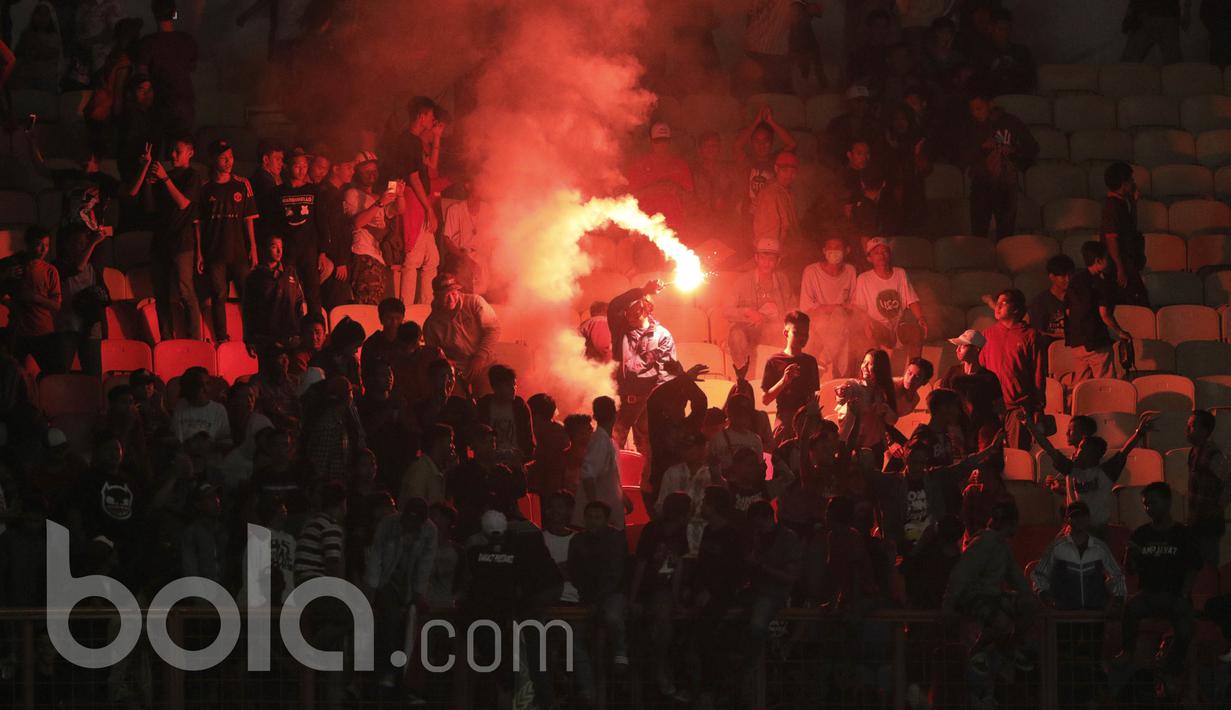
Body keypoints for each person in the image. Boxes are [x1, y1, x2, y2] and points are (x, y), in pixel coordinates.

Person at [942, 499, 1037, 696]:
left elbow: (1015, 576)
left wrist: (1030, 598)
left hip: (991, 597)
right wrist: (949, 605)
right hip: (973, 598)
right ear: (1010, 523)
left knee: (1027, 607)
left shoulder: (1000, 545)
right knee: (1001, 622)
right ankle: (980, 652)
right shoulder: (986, 542)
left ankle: (1007, 649)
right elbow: (961, 575)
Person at [1024, 411, 1156, 539]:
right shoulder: (1071, 470)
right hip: (1074, 530)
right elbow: (1047, 447)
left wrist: (1139, 433)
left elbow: (1124, 451)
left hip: (1097, 531)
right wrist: (1029, 425)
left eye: (1082, 449)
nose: (1077, 453)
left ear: (1093, 455)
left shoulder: (1106, 472)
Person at [1120, 482, 1203, 674]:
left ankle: (1169, 665)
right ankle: (1128, 653)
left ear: (1167, 502)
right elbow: (1129, 570)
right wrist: (1129, 554)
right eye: (1146, 504)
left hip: (1175, 595)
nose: (1149, 508)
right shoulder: (1141, 534)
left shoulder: (1182, 534)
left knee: (1185, 629)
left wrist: (1183, 593)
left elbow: (1194, 566)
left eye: (1153, 503)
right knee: (1131, 609)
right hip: (1149, 594)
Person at [364, 496, 437, 692]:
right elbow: (376, 555)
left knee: (412, 623)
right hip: (387, 580)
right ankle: (388, 670)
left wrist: (418, 591)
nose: (411, 524)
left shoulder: (430, 531)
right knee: (391, 616)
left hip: (410, 583)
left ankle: (409, 677)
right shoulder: (388, 524)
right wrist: (372, 587)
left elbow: (425, 563)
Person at [139, 135, 202, 340]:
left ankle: (195, 339)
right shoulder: (164, 176)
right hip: (160, 242)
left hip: (182, 243)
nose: (172, 154)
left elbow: (183, 203)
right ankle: (166, 339)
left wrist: (165, 179)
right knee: (161, 294)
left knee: (186, 292)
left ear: (190, 152)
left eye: (178, 150)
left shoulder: (192, 176)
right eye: (172, 151)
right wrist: (149, 181)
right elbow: (149, 208)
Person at [568, 501, 630, 700]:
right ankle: (587, 688)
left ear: (606, 519)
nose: (593, 521)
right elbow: (575, 571)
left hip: (611, 593)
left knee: (612, 616)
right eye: (590, 517)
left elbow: (615, 573)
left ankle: (620, 649)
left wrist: (595, 598)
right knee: (574, 636)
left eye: (597, 517)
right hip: (587, 597)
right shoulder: (577, 541)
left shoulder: (616, 538)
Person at [607, 280, 678, 453]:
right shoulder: (620, 330)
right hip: (623, 400)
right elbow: (614, 305)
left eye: (634, 310)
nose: (628, 315)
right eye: (627, 311)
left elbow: (668, 372)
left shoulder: (663, 336)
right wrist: (643, 290)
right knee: (614, 447)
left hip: (647, 402)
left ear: (646, 309)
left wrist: (658, 401)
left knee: (647, 450)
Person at [198, 139, 258, 343]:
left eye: (231, 157)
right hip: (215, 252)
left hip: (239, 252)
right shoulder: (205, 188)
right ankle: (221, 339)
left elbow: (248, 220)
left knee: (248, 297)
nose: (228, 161)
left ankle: (252, 336)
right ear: (213, 159)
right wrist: (199, 252)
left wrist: (254, 249)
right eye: (223, 158)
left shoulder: (243, 184)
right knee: (218, 297)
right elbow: (199, 224)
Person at [961, 93, 1038, 240]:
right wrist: (981, 148)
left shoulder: (1011, 123)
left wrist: (1013, 151)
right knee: (979, 232)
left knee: (1006, 234)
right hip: (981, 183)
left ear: (989, 104)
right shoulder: (970, 126)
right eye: (972, 110)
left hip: (1006, 184)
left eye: (979, 108)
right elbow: (962, 156)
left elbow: (1032, 148)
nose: (976, 113)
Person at [979, 290, 1047, 449]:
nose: (998, 307)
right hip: (992, 407)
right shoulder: (988, 334)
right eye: (997, 303)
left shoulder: (1030, 335)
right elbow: (981, 368)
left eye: (1003, 303)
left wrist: (1039, 406)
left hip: (1018, 407)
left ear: (1016, 309)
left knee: (1017, 455)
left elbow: (1038, 372)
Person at [1033, 500, 1127, 611]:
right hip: (1064, 612)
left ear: (1088, 518)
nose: (1079, 520)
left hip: (1095, 612)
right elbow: (1039, 575)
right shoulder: (1056, 547)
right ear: (1067, 520)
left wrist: (1118, 599)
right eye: (1074, 516)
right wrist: (1045, 596)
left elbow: (1117, 575)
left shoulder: (1100, 548)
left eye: (1083, 516)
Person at [391, 96, 440, 307]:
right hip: (412, 199)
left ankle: (425, 308)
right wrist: (428, 208)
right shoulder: (407, 141)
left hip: (419, 199)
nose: (432, 120)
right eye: (430, 116)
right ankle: (406, 310)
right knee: (412, 259)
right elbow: (412, 177)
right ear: (422, 116)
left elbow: (429, 169)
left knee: (432, 259)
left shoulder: (415, 141)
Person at [422, 273, 500, 396]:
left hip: (485, 365)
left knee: (487, 400)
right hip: (457, 372)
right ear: (436, 296)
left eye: (453, 293)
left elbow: (493, 329)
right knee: (457, 405)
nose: (451, 299)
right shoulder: (431, 325)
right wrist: (448, 364)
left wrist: (480, 356)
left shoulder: (474, 302)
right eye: (446, 296)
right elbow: (434, 355)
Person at [1065, 241, 1132, 382]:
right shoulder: (1101, 283)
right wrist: (1120, 331)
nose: (1110, 261)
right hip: (1096, 342)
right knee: (1105, 384)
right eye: (1107, 258)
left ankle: (1076, 404)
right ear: (1098, 261)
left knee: (1081, 385)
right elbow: (1104, 314)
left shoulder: (1075, 280)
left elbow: (1068, 311)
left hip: (1076, 342)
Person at [724, 238, 794, 370]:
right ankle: (744, 379)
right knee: (736, 335)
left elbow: (792, 308)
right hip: (748, 331)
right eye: (763, 258)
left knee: (799, 332)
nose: (766, 263)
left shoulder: (783, 281)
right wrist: (747, 312)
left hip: (775, 329)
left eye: (771, 259)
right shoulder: (742, 281)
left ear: (778, 261)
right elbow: (727, 311)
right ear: (756, 258)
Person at [136, 0, 197, 141]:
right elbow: (192, 67)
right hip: (185, 103)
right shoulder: (187, 40)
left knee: (153, 151)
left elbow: (141, 76)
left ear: (154, 15)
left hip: (159, 103)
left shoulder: (147, 43)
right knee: (180, 152)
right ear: (174, 14)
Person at [851, 237, 926, 352]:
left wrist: (921, 318)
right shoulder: (863, 279)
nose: (881, 256)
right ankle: (875, 365)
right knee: (872, 330)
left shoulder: (900, 273)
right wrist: (866, 323)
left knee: (915, 331)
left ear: (889, 255)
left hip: (898, 326)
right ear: (869, 258)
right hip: (879, 328)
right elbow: (859, 308)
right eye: (876, 253)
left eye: (884, 252)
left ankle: (914, 367)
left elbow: (912, 300)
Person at [799, 235, 859, 377]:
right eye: (830, 248)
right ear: (824, 251)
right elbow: (806, 308)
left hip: (841, 321)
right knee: (840, 323)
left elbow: (853, 304)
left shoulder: (850, 271)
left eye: (837, 247)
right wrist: (836, 308)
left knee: (841, 320)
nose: (833, 251)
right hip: (817, 322)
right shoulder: (811, 271)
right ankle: (837, 375)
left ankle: (824, 361)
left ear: (846, 250)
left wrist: (840, 309)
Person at [344, 150, 399, 305]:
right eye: (367, 172)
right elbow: (357, 223)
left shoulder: (378, 196)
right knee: (367, 305)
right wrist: (379, 203)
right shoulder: (351, 193)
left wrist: (399, 194)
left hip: (380, 258)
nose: (372, 175)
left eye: (374, 171)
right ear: (357, 174)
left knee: (383, 308)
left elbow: (398, 210)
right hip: (363, 254)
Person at [6, 225, 62, 373]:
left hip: (43, 332)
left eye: (47, 245)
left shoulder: (50, 271)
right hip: (18, 332)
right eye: (39, 245)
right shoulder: (13, 266)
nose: (44, 249)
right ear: (28, 244)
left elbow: (57, 305)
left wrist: (34, 297)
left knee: (53, 375)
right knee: (15, 377)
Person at [53, 225, 108, 375]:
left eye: (84, 243)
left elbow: (104, 298)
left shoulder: (93, 268)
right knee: (61, 373)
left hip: (90, 328)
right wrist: (93, 243)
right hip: (67, 326)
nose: (81, 247)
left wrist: (103, 325)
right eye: (77, 243)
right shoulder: (58, 266)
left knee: (93, 375)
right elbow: (76, 268)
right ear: (67, 245)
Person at [761, 310, 820, 441]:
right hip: (785, 422)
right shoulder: (774, 361)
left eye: (806, 334)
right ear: (786, 333)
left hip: (806, 421)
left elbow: (814, 395)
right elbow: (765, 399)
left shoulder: (810, 362)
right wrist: (784, 380)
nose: (802, 338)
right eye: (797, 333)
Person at [242, 235, 305, 358]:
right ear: (265, 249)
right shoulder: (254, 277)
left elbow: (299, 302)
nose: (279, 251)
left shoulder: (290, 272)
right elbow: (248, 311)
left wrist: (300, 332)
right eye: (274, 247)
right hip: (267, 340)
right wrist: (249, 340)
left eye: (281, 247)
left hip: (290, 338)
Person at [277, 149, 322, 318]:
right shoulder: (278, 192)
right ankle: (290, 333)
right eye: (297, 166)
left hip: (309, 250)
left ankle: (316, 330)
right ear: (287, 167)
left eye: (305, 166)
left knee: (313, 296)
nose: (302, 170)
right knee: (288, 296)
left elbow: (321, 221)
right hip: (288, 251)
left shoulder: (314, 191)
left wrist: (323, 252)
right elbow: (273, 224)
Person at [626, 122, 694, 232]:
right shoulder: (639, 166)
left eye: (665, 141)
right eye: (658, 141)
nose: (662, 145)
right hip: (646, 226)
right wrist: (654, 189)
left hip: (675, 226)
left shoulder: (680, 166)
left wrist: (676, 189)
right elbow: (629, 199)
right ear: (650, 142)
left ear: (670, 142)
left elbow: (690, 198)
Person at [575, 396, 629, 530]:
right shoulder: (600, 441)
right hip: (600, 524)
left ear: (594, 416)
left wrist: (623, 498)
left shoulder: (606, 440)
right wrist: (596, 512)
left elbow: (611, 478)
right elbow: (588, 476)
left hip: (608, 519)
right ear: (616, 414)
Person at [1186, 409, 1231, 566]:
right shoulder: (1193, 452)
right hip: (1197, 521)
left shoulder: (1213, 454)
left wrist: (1218, 507)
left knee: (1208, 568)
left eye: (1191, 426)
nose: (1187, 430)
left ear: (1204, 431)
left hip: (1209, 523)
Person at [1101, 161, 1149, 306]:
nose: (1133, 182)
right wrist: (1120, 268)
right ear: (1123, 183)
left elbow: (1132, 227)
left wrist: (1134, 203)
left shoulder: (1122, 203)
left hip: (1127, 263)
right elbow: (1111, 240)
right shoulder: (1112, 206)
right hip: (1120, 266)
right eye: (1130, 179)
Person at [735, 107, 798, 215]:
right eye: (757, 141)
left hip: (772, 213)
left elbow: (792, 144)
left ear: (772, 142)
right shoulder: (747, 160)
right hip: (750, 213)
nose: (761, 145)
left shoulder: (777, 160)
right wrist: (756, 122)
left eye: (765, 141)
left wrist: (771, 122)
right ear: (751, 143)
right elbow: (737, 146)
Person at [316, 150, 356, 310]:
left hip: (337, 258)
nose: (352, 172)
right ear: (336, 169)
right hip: (334, 261)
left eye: (353, 168)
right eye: (348, 167)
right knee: (337, 304)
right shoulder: (328, 193)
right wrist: (339, 261)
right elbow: (331, 228)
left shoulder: (336, 193)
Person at [477, 364, 534, 469]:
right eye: (508, 385)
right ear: (495, 387)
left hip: (515, 466)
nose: (513, 389)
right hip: (489, 467)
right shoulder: (484, 405)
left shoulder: (520, 406)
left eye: (514, 384)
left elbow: (528, 441)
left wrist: (522, 457)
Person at [440, 180, 489, 296]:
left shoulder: (487, 210)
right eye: (479, 182)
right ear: (468, 186)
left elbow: (493, 239)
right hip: (460, 258)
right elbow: (447, 240)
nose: (482, 187)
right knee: (466, 294)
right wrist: (465, 258)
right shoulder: (455, 210)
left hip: (481, 257)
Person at [975, 8, 1036, 95]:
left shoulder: (1022, 52)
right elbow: (978, 84)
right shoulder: (982, 54)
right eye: (1000, 29)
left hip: (1018, 99)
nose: (1004, 33)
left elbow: (1031, 80)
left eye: (1007, 29)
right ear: (991, 29)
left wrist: (1015, 67)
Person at [750, 150, 801, 253]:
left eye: (792, 172)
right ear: (776, 169)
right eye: (785, 171)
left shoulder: (786, 191)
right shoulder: (770, 194)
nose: (789, 175)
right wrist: (771, 254)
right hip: (772, 252)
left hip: (784, 249)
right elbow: (769, 232)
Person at [840, 140, 888, 236]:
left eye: (867, 153)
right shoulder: (843, 177)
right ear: (849, 155)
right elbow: (846, 210)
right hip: (855, 230)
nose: (864, 158)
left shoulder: (872, 174)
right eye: (859, 153)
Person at [1122, 0, 1189, 63]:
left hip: (1160, 16)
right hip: (1151, 17)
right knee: (1128, 63)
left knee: (1128, 63)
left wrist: (1186, 10)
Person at [1028, 254, 1073, 344]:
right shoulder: (1040, 301)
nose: (1068, 279)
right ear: (1052, 277)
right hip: (1051, 349)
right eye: (1063, 276)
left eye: (1070, 275)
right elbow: (1038, 332)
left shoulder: (1078, 298)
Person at [360, 297, 404, 385]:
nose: (394, 322)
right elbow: (366, 376)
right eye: (389, 318)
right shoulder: (372, 344)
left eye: (398, 318)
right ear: (381, 319)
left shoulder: (407, 341)